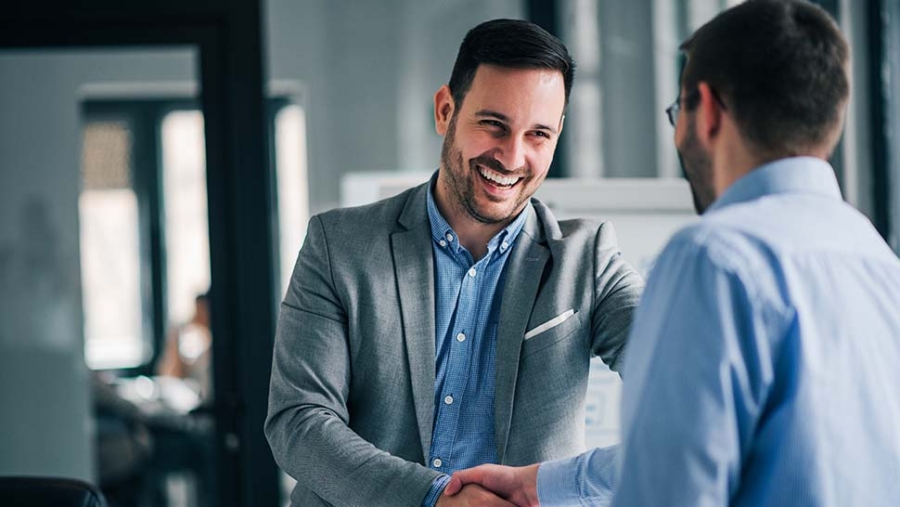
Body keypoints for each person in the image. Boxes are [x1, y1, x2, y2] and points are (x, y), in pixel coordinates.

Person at [444, 1, 900, 506]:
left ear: (705, 110)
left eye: (677, 113)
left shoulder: (715, 257)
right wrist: (543, 484)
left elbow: (671, 488)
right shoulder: (879, 262)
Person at [264, 18, 644, 507]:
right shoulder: (339, 245)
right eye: (494, 125)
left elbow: (690, 389)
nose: (512, 157)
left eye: (539, 135)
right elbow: (298, 421)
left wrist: (566, 487)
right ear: (446, 110)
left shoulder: (587, 260)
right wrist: (434, 499)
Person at [157, 292, 213, 402]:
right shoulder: (201, 350)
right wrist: (175, 337)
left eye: (201, 311)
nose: (196, 315)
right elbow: (171, 376)